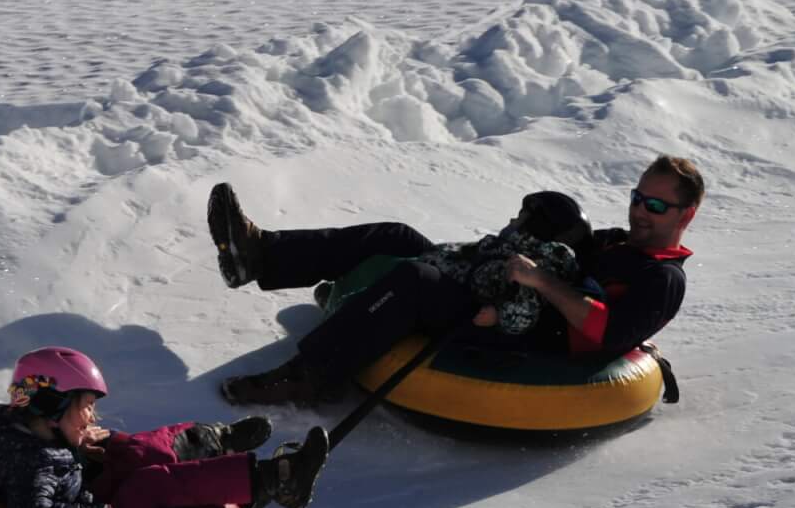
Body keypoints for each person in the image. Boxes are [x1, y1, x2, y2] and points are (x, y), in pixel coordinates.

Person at [211, 156, 702, 406]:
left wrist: (540, 283)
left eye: (656, 205)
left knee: (417, 280)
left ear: (686, 214)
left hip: (523, 333)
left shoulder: (661, 279)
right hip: (501, 288)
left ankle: (308, 377)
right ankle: (259, 256)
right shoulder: (621, 242)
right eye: (639, 197)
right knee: (397, 236)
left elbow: (607, 332)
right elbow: (569, 249)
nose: (641, 210)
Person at [0, 347, 332, 508]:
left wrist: (78, 446)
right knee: (150, 483)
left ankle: (215, 439)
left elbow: (45, 448)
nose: (91, 415)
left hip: (82, 480)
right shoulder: (32, 464)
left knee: (137, 449)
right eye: (86, 407)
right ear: (52, 408)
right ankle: (276, 478)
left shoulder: (30, 429)